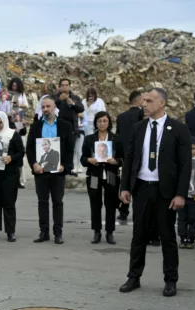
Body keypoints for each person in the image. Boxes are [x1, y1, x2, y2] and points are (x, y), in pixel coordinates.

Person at [119, 88, 192, 297]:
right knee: (138, 235)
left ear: (161, 103)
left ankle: (170, 280)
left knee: (167, 236)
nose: (144, 104)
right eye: (144, 100)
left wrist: (180, 194)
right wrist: (125, 187)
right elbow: (130, 158)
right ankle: (134, 277)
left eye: (149, 100)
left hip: (165, 191)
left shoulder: (178, 129)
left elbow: (185, 164)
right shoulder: (138, 128)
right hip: (142, 187)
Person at [26, 96, 74, 244]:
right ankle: (44, 232)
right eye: (43, 107)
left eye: (48, 106)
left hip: (58, 171)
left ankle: (58, 233)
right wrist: (34, 164)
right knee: (42, 202)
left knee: (57, 202)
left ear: (54, 108)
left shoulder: (65, 126)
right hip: (41, 171)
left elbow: (69, 149)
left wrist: (64, 165)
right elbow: (29, 148)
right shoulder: (36, 126)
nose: (46, 109)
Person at [81, 111, 123, 245]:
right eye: (99, 121)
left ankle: (110, 232)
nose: (102, 123)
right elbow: (83, 159)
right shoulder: (89, 139)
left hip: (111, 175)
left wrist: (116, 161)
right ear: (95, 123)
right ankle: (96, 232)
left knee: (111, 203)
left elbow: (124, 158)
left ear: (109, 122)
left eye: (105, 121)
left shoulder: (117, 139)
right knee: (95, 203)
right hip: (94, 175)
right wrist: (89, 160)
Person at [0, 111, 24, 242]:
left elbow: (21, 152)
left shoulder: (13, 135)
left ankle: (10, 231)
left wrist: (11, 157)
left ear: (5, 122)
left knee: (9, 203)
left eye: (0, 122)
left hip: (9, 174)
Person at [115, 90, 145, 223]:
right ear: (138, 100)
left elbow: (118, 136)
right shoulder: (142, 115)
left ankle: (123, 211)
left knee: (125, 182)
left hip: (125, 155)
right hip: (140, 154)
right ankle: (139, 211)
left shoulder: (121, 117)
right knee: (139, 184)